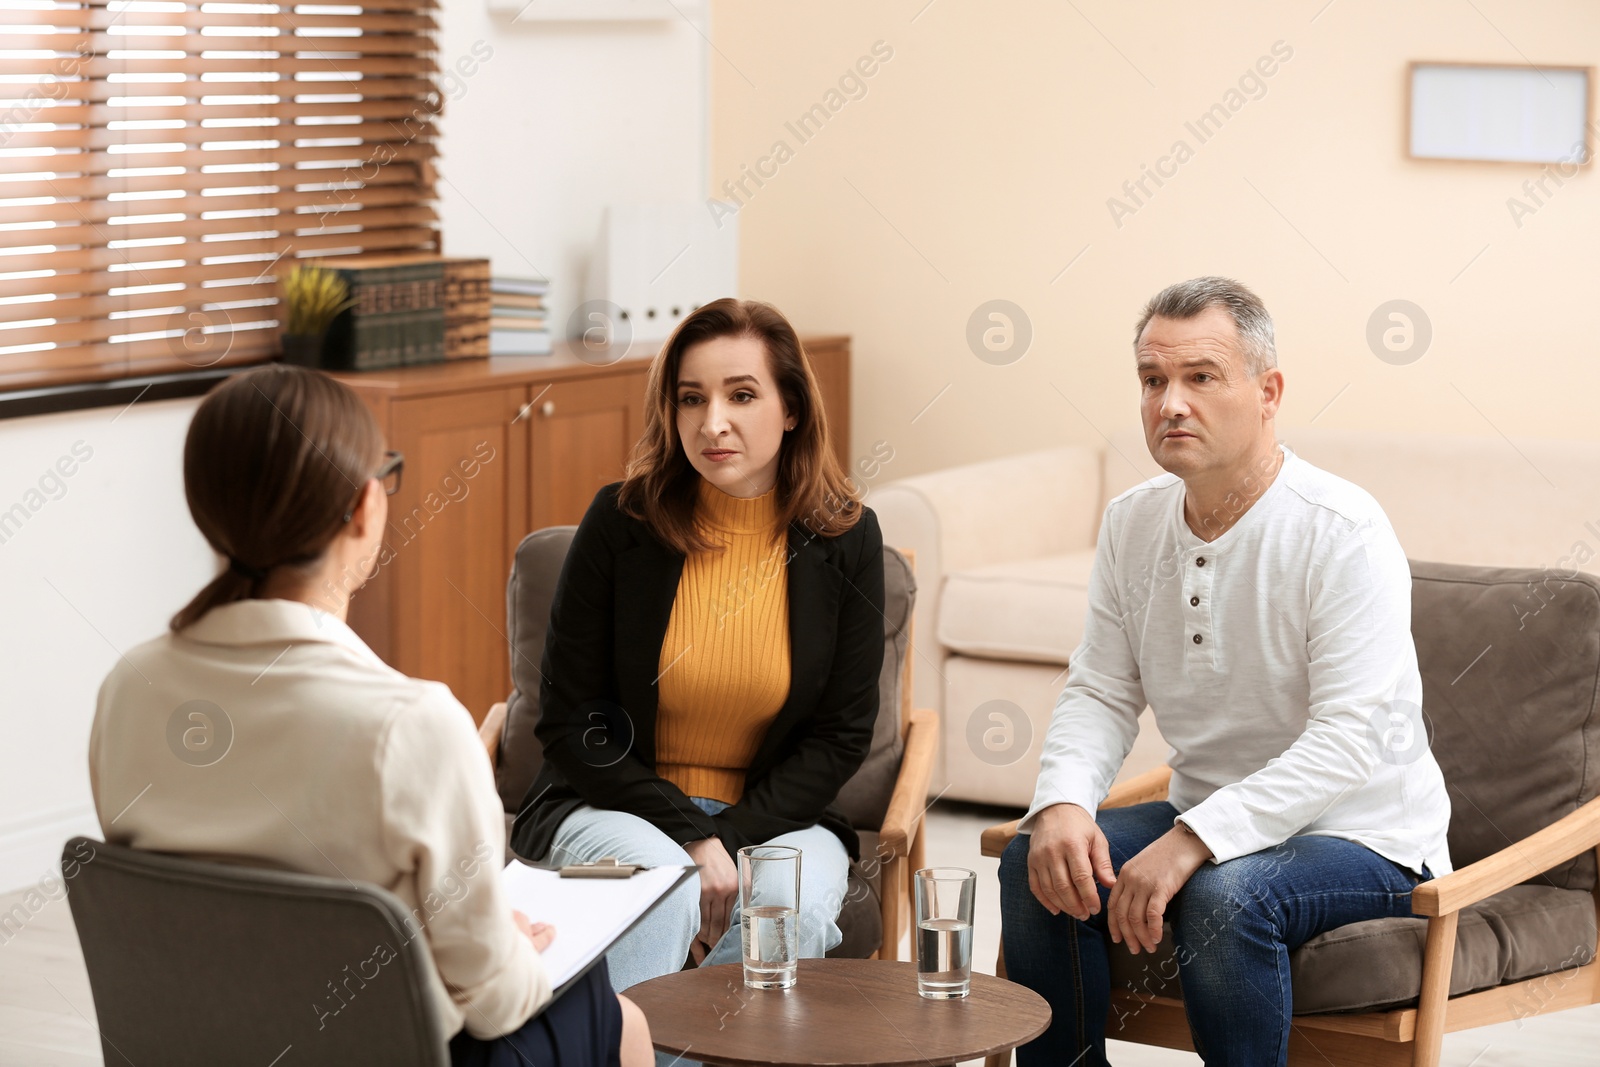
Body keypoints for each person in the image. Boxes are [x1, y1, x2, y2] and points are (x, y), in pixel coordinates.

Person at [89, 365, 652, 1067]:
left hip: (199, 1044)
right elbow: (495, 998)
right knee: (611, 1007)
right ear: (363, 505)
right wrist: (512, 950)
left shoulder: (128, 690)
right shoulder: (411, 725)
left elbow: (228, 904)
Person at [998, 277, 1453, 1066]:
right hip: (1207, 810)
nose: (1170, 402)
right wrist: (1066, 800)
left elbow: (1348, 741)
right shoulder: (1131, 523)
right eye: (1152, 380)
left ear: (1268, 391)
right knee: (1036, 856)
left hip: (1365, 835)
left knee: (1223, 893)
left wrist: (1193, 840)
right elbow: (1102, 688)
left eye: (1200, 377)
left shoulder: (1342, 530)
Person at [509, 298, 885, 1001]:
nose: (712, 422)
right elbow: (572, 723)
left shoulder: (846, 540)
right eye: (691, 399)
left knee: (789, 907)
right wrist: (692, 836)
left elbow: (839, 738)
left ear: (793, 407)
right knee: (662, 885)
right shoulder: (620, 522)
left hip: (779, 815)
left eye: (742, 394)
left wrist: (729, 837)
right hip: (614, 805)